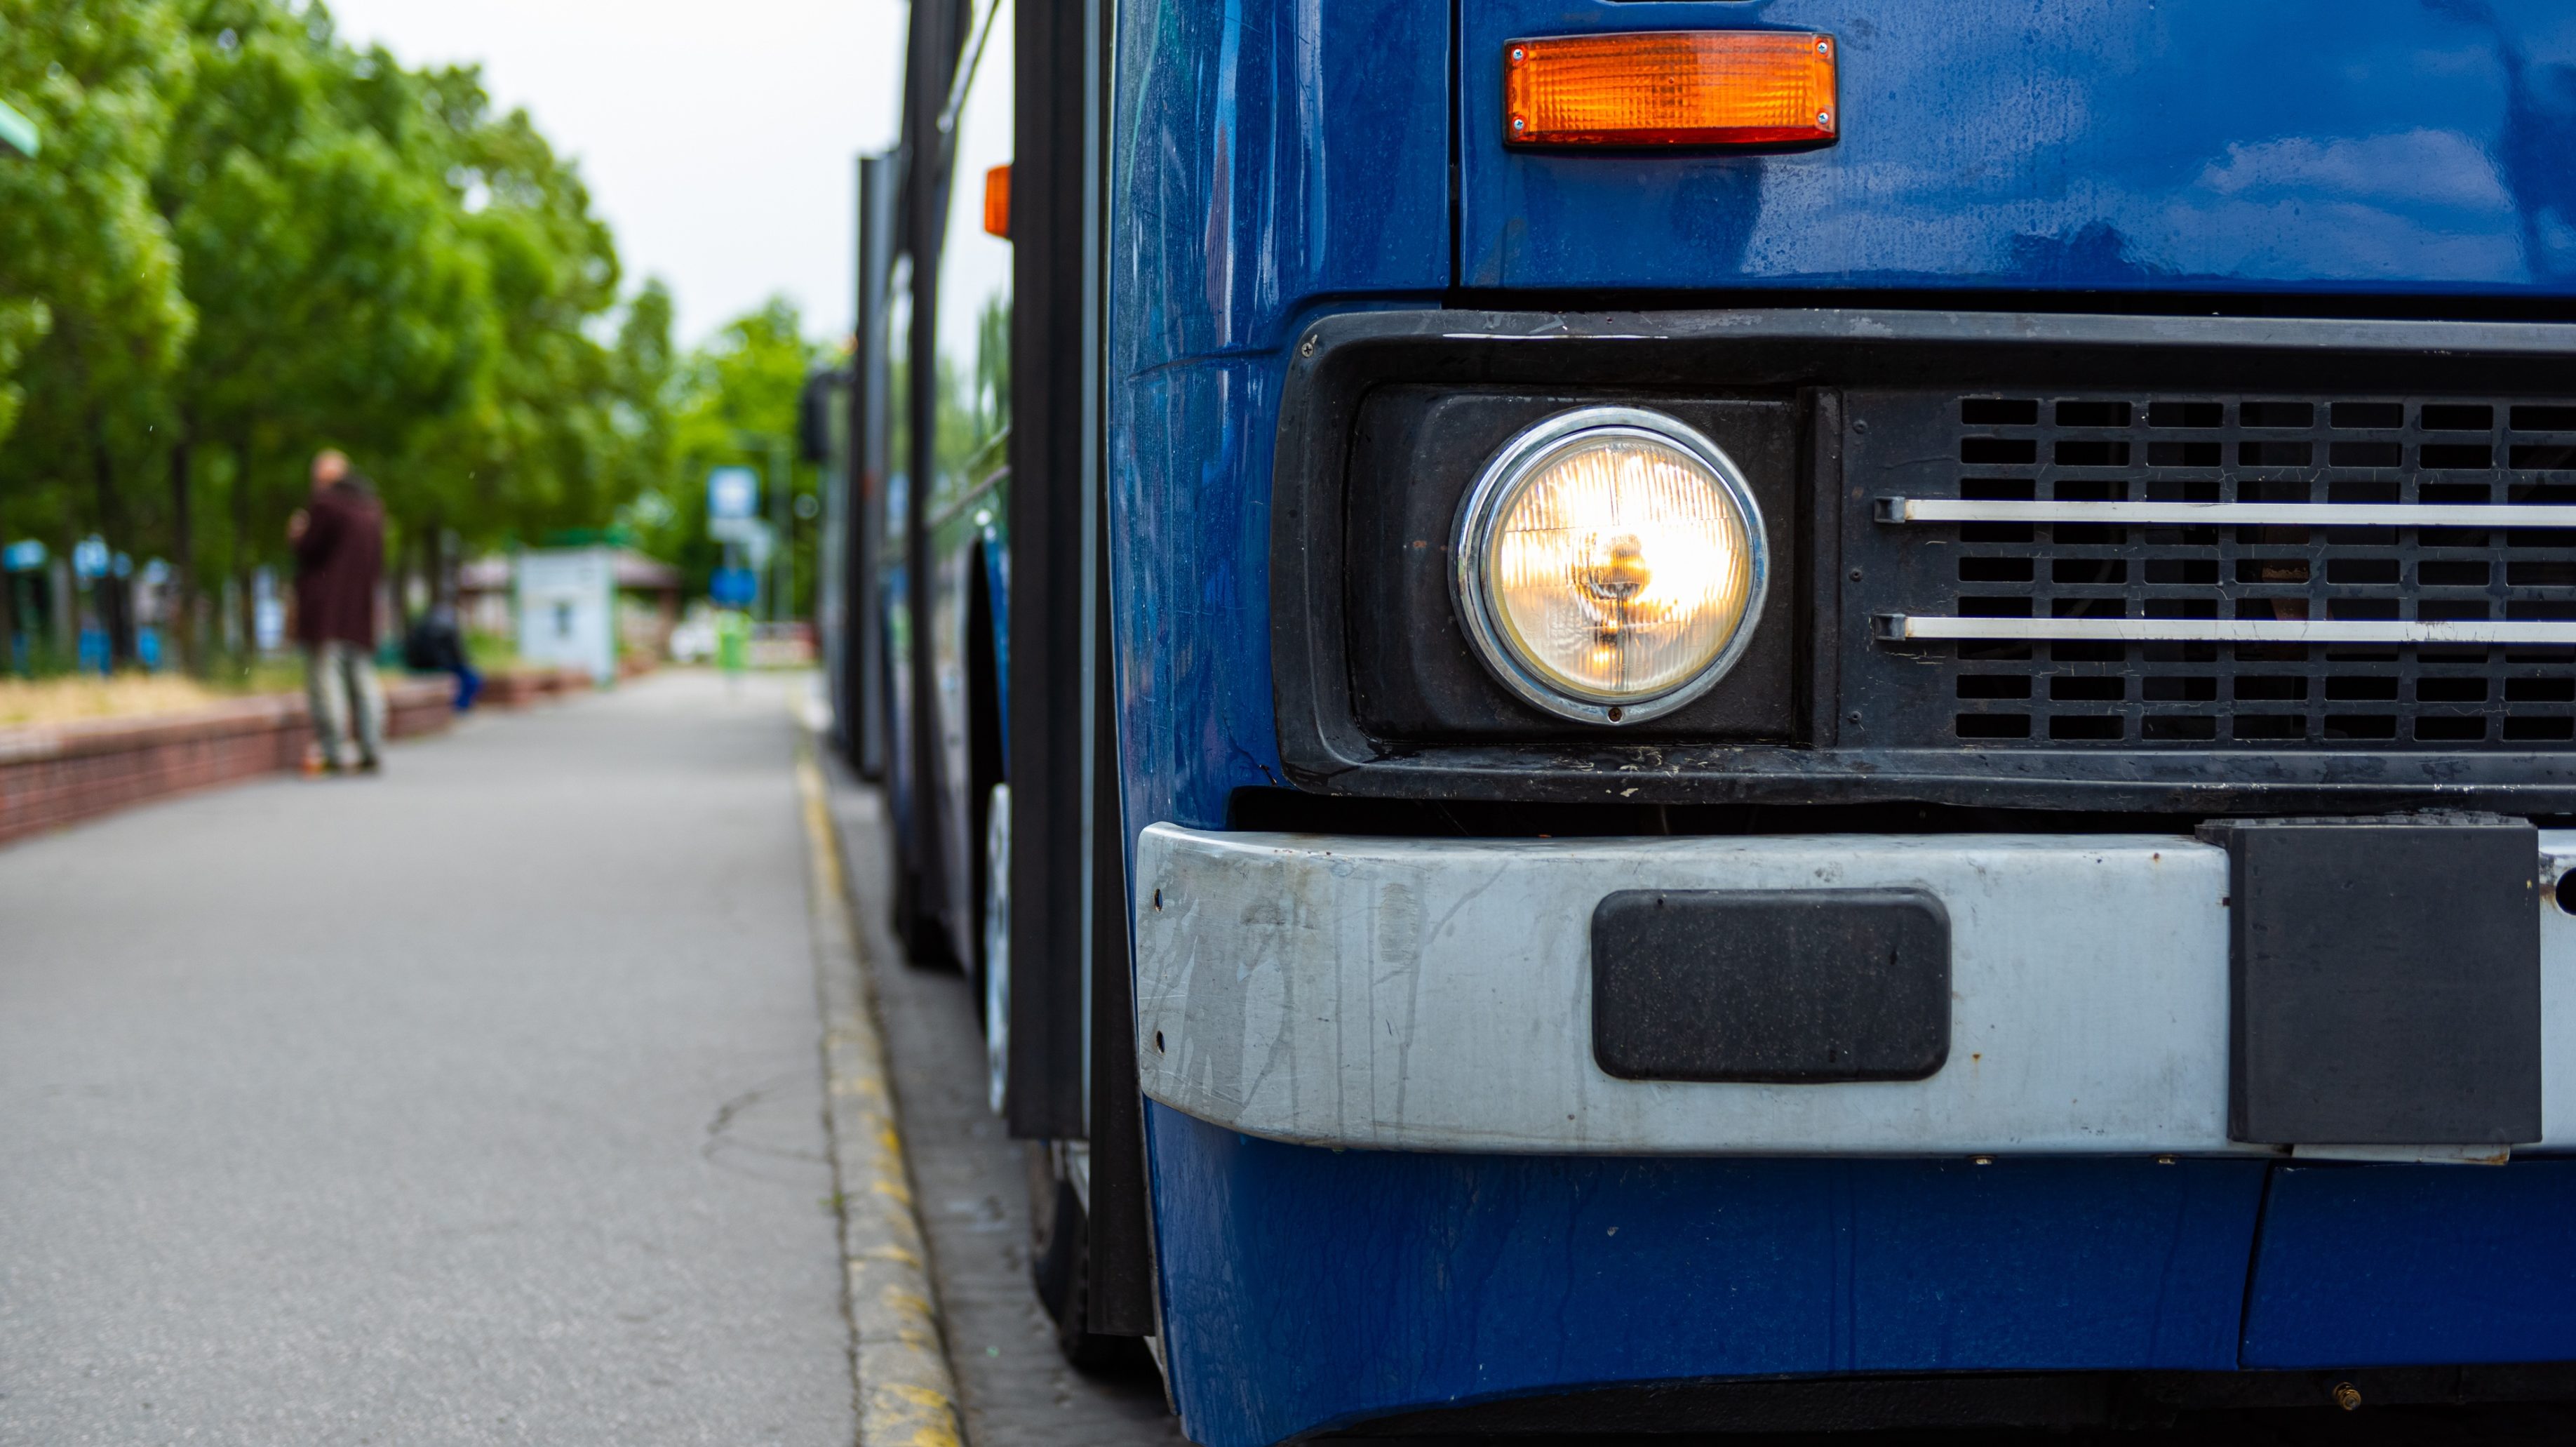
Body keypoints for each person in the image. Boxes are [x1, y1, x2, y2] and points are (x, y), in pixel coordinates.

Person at [288, 450, 387, 774]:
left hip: (326, 610)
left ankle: (333, 750)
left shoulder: (326, 505)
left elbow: (308, 550)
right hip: (359, 610)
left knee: (326, 679)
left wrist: (298, 533)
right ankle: (371, 746)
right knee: (362, 676)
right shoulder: (371, 508)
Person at [403, 601, 480, 712]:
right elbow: (458, 653)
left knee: (464, 677)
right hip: (443, 666)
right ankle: (461, 706)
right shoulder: (448, 629)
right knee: (472, 678)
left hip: (419, 666)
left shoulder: (421, 626)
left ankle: (459, 706)